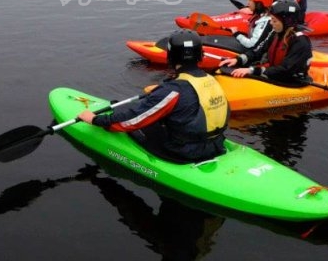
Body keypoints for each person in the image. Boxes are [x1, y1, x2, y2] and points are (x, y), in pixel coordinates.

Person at [78, 30, 229, 163]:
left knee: (130, 113)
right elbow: (190, 99)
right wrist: (162, 92)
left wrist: (96, 120)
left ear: (171, 57)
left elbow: (133, 120)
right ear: (200, 56)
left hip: (184, 153)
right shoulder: (211, 79)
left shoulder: (173, 90)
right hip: (216, 144)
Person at [226, 0, 313, 83]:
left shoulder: (301, 42)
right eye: (271, 19)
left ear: (288, 22)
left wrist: (253, 70)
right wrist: (238, 60)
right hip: (275, 73)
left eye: (274, 20)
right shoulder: (275, 33)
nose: (271, 23)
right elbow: (258, 51)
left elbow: (286, 69)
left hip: (290, 80)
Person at [222, 0, 275, 67]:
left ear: (259, 4)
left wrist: (237, 34)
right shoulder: (260, 16)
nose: (248, 3)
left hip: (257, 59)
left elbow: (251, 45)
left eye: (250, 0)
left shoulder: (265, 22)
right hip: (254, 51)